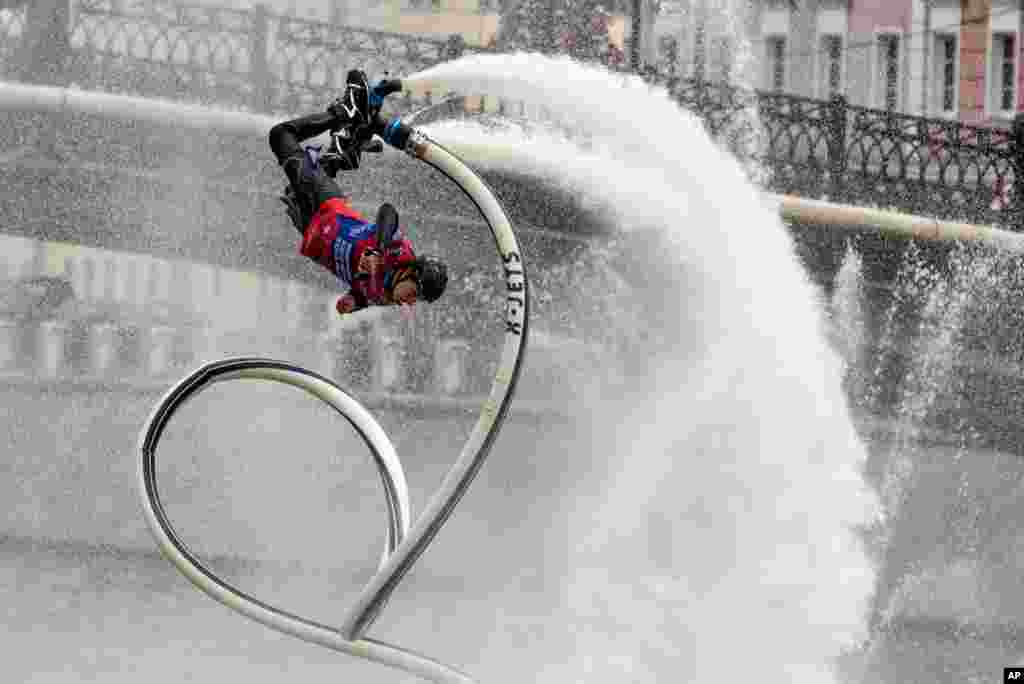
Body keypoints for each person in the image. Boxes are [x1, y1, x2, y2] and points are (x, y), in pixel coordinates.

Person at [268, 69, 448, 317]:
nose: (409, 301)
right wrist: (379, 250)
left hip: (311, 230)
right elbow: (388, 213)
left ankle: (350, 144)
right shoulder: (398, 254)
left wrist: (352, 302)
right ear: (411, 273)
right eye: (415, 292)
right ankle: (344, 114)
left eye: (417, 301)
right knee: (281, 136)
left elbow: (365, 292)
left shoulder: (386, 297)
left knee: (299, 178)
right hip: (327, 207)